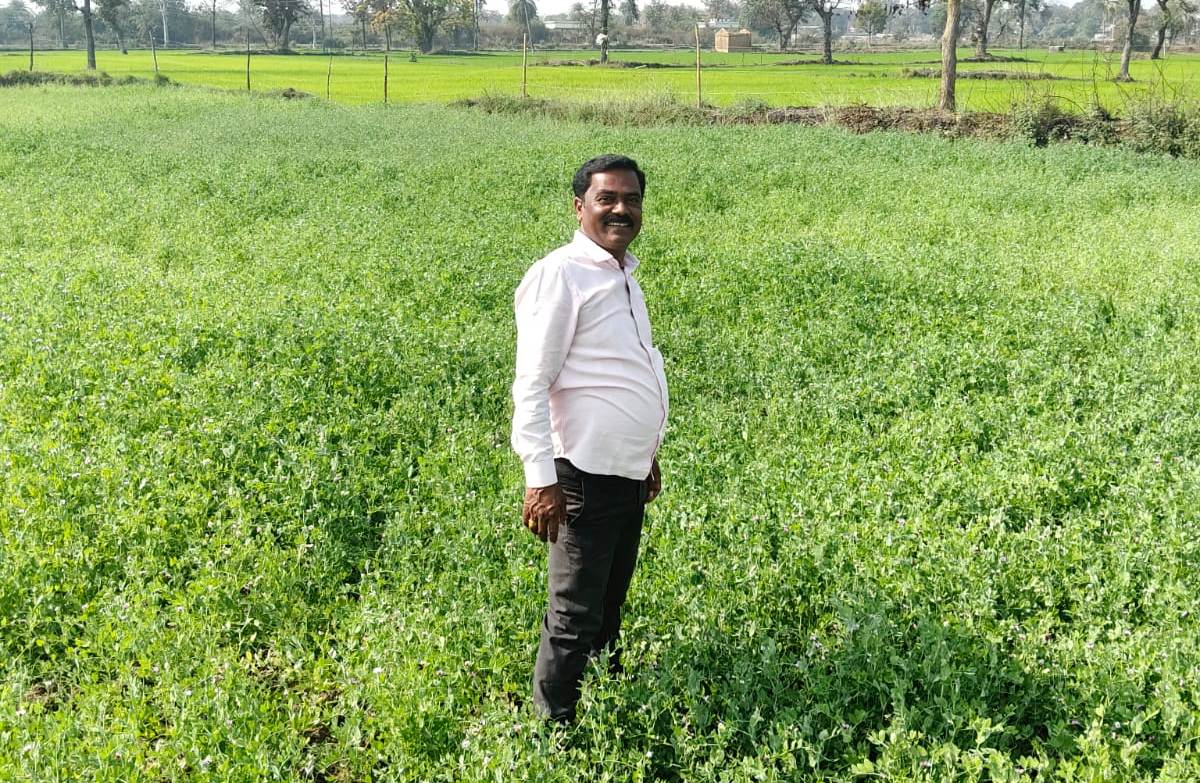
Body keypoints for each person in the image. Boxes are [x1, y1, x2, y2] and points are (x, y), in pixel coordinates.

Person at [511, 154, 669, 722]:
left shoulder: (623, 275)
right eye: (607, 199)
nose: (621, 209)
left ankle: (605, 704)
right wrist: (541, 480)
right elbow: (532, 383)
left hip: (625, 473)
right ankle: (554, 729)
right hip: (581, 475)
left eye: (631, 199)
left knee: (608, 600)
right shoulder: (561, 274)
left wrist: (646, 455)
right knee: (575, 611)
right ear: (580, 207)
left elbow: (619, 371)